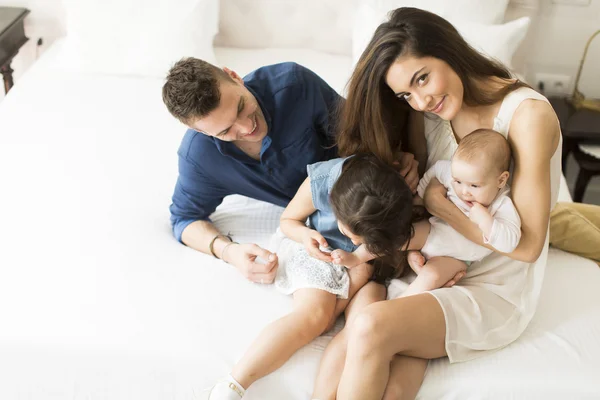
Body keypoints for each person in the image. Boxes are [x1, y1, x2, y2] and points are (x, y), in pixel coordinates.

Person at [313, 7, 563, 400]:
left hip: (494, 284)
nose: (420, 99)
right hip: (433, 261)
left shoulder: (526, 116)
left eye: (422, 78)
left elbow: (528, 248)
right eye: (405, 94)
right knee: (368, 329)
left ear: (448, 50)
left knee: (370, 327)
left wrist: (439, 204)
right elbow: (426, 195)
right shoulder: (428, 113)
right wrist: (407, 178)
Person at [161, 58, 420, 284]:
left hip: (362, 201)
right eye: (225, 131)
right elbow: (184, 220)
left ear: (234, 76)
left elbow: (359, 138)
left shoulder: (294, 84)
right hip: (312, 230)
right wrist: (229, 252)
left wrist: (394, 158)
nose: (246, 127)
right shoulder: (199, 157)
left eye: (241, 107)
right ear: (201, 132)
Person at [204, 154, 415, 399]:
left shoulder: (389, 201)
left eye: (365, 240)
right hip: (315, 246)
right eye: (353, 234)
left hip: (366, 267)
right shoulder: (324, 181)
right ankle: (233, 384)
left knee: (363, 327)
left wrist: (363, 258)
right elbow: (288, 221)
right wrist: (306, 236)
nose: (357, 242)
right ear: (336, 206)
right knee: (314, 317)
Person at [334, 129, 521, 298]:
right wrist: (420, 197)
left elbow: (510, 242)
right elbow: (438, 169)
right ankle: (357, 257)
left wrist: (486, 220)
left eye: (474, 185)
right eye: (457, 182)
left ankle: (402, 301)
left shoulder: (502, 204)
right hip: (434, 229)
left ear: (501, 180)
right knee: (398, 238)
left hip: (457, 256)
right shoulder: (457, 173)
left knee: (433, 276)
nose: (464, 191)